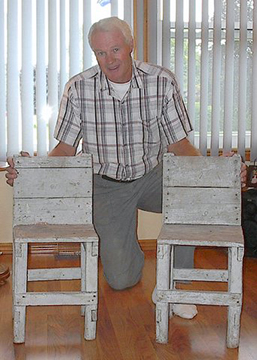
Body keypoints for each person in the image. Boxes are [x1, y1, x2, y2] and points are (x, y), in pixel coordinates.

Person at [6, 17, 247, 319]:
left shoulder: (161, 81)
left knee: (192, 196)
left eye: (116, 49)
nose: (109, 60)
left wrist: (217, 177)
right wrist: (30, 174)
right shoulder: (79, 88)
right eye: (100, 53)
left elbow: (179, 146)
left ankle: (175, 285)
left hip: (153, 174)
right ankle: (128, 250)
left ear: (131, 45)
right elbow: (65, 151)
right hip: (106, 184)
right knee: (121, 280)